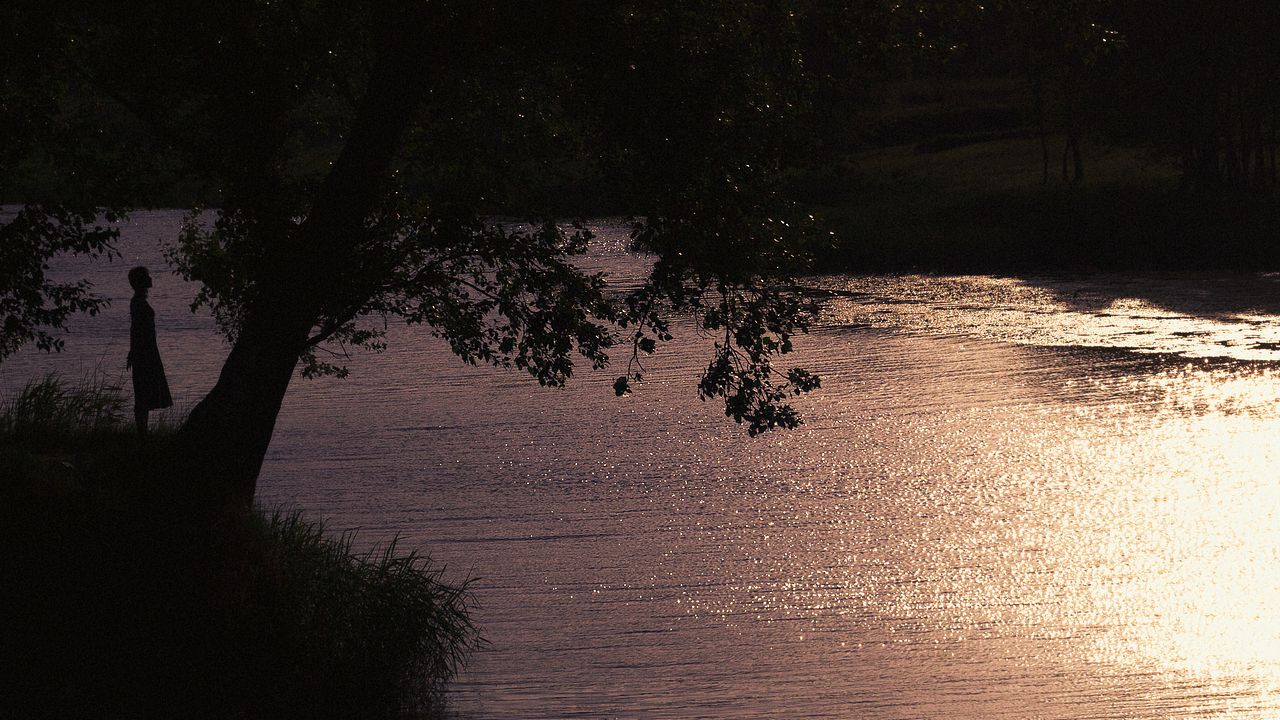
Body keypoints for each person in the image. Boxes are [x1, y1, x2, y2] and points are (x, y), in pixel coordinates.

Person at [126, 266, 173, 436]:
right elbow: (136, 329)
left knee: (145, 391)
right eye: (147, 276)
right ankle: (142, 432)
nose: (151, 279)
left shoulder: (138, 301)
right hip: (145, 352)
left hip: (147, 351)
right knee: (143, 391)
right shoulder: (138, 302)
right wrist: (135, 352)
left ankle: (143, 431)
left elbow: (135, 329)